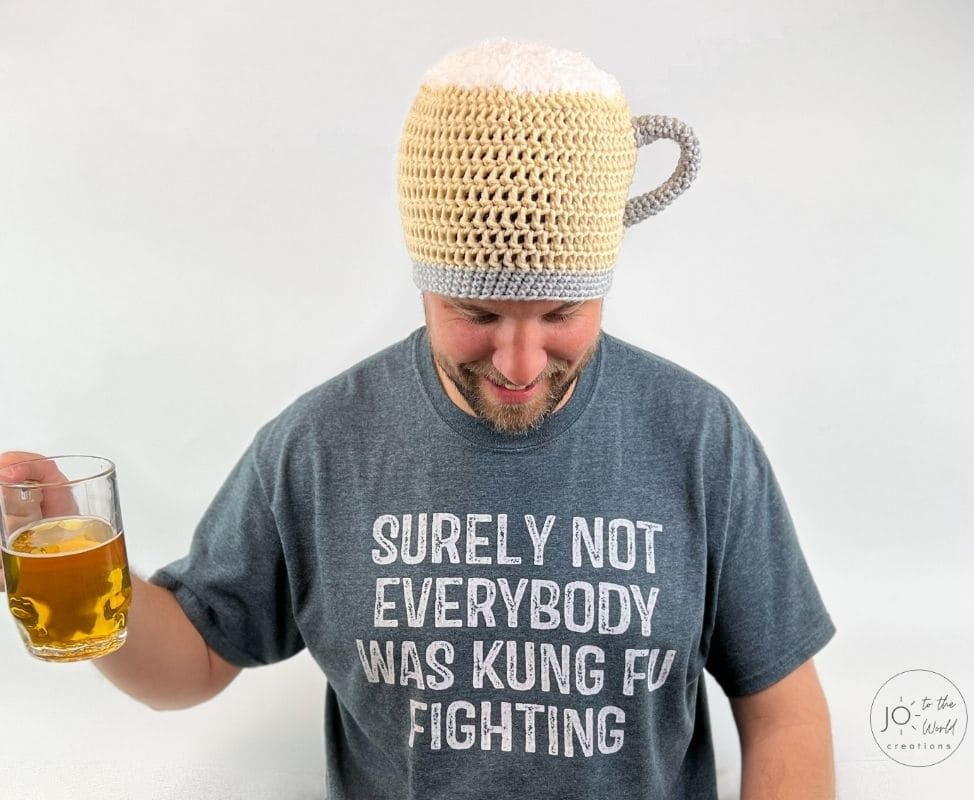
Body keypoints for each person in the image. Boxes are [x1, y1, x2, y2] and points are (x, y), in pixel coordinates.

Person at [1, 40, 836, 800]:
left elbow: (784, 711)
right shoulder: (319, 446)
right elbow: (195, 660)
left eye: (561, 313)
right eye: (476, 311)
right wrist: (86, 568)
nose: (520, 363)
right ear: (425, 282)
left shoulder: (698, 437)